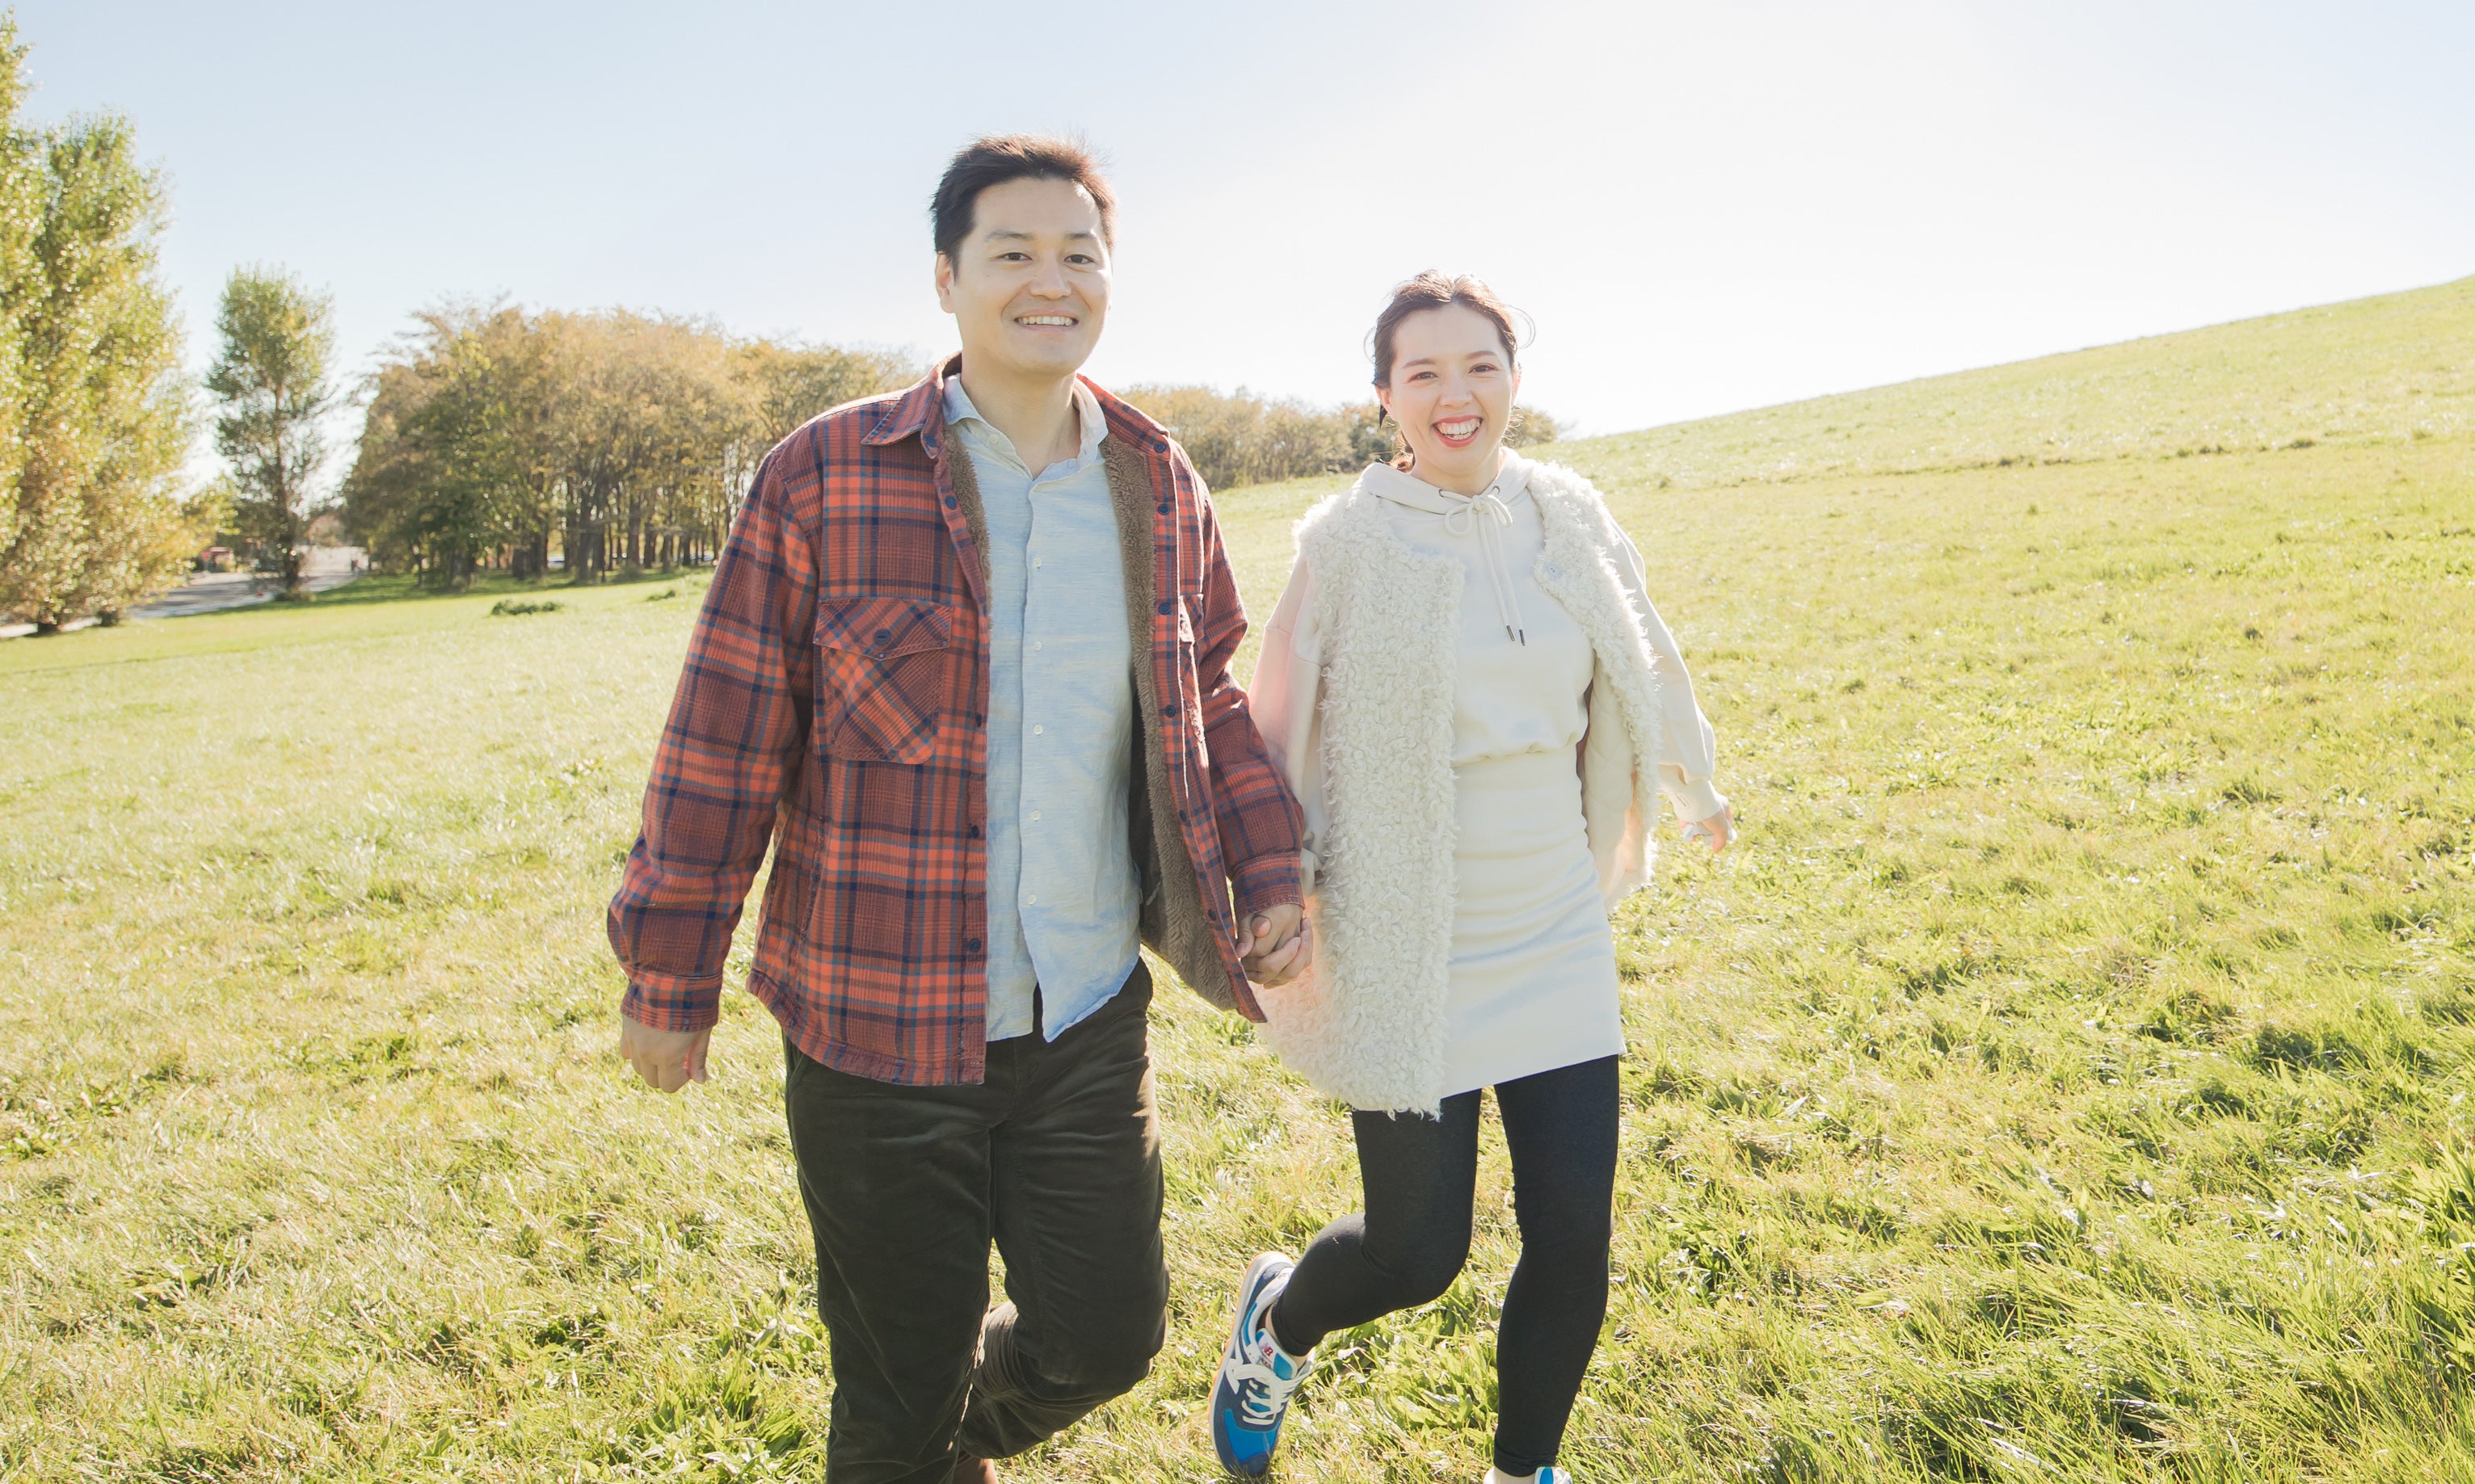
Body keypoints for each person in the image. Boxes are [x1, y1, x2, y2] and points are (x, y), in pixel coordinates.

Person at [606, 135, 1313, 1484]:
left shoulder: (1158, 484)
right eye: (1013, 254)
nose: (1052, 282)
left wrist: (1268, 874)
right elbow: (724, 730)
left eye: (1080, 255)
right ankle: (913, 1448)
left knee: (1108, 1335)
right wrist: (668, 973)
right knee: (895, 1388)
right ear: (947, 279)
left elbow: (1207, 692)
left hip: (1086, 1015)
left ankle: (932, 1451)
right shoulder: (827, 474)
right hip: (876, 1033)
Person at [1204, 272, 1736, 1484]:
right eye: (1424, 373)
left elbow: (1643, 647)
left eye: (1480, 366)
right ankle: (1277, 1326)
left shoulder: (1569, 511)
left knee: (1574, 1239)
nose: (1456, 395)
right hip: (1409, 935)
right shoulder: (1348, 543)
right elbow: (1276, 714)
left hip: (1550, 920)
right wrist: (1265, 879)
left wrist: (1694, 781)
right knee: (1416, 1254)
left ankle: (1522, 1471)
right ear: (1384, 396)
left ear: (1513, 377)